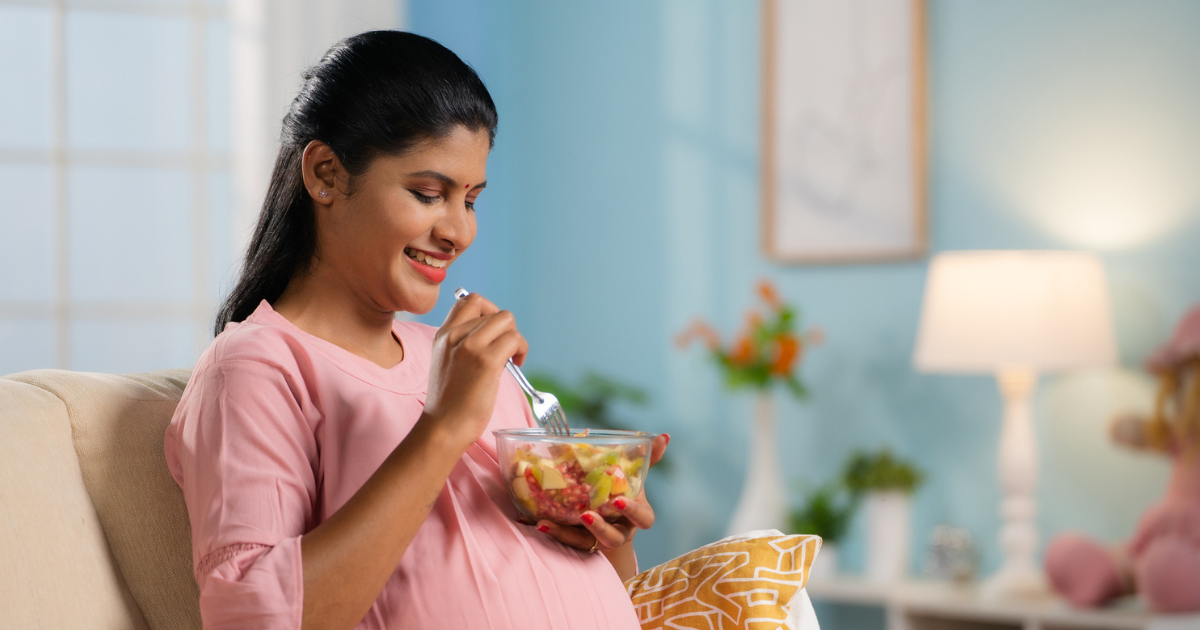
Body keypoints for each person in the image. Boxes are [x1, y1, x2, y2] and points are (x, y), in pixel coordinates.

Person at [165, 31, 667, 630]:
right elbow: (254, 618)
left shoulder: (460, 357)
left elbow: (598, 586)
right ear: (325, 173)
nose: (459, 231)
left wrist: (602, 532)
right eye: (429, 194)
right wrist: (445, 425)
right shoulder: (256, 367)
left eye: (472, 200)